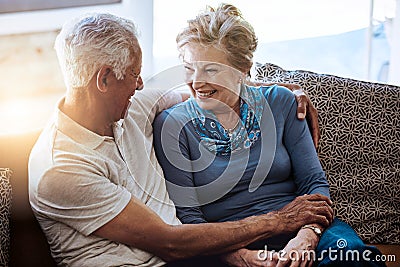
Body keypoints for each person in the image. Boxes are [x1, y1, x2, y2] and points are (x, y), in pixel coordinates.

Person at [28, 12, 333, 267]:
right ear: (104, 79)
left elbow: (202, 89)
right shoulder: (61, 168)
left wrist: (282, 91)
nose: (140, 84)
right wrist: (278, 221)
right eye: (134, 74)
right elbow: (171, 242)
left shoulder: (131, 108)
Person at [153, 4, 385, 267]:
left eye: (211, 70)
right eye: (189, 68)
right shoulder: (172, 125)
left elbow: (314, 184)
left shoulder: (281, 102)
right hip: (227, 241)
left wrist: (308, 236)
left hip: (300, 227)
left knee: (350, 257)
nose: (196, 82)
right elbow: (189, 218)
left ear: (243, 70)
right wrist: (240, 258)